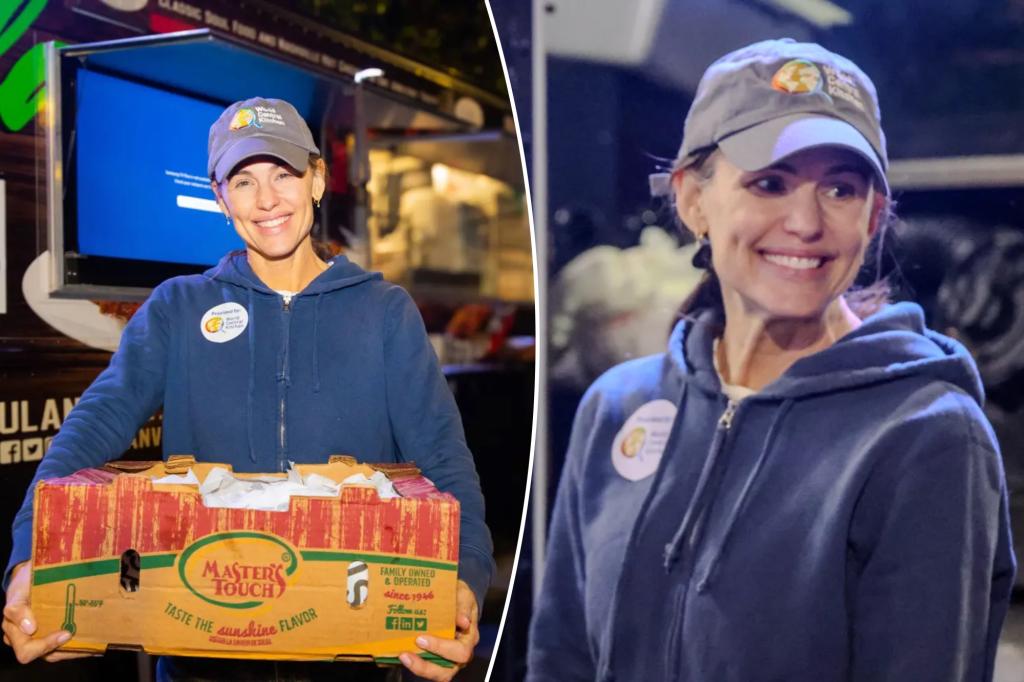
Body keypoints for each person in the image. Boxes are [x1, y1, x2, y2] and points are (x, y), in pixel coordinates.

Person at [527, 39, 1015, 681]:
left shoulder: (928, 437)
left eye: (840, 188)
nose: (806, 222)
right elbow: (560, 657)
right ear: (692, 199)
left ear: (872, 217)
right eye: (770, 182)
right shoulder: (618, 407)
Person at [2, 97, 493, 682]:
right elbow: (91, 428)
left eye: (283, 174)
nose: (266, 200)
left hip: (350, 647)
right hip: (200, 650)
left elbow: (443, 457)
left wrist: (465, 579)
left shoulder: (383, 311)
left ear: (317, 179)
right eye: (244, 180)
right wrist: (30, 556)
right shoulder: (179, 307)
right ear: (219, 197)